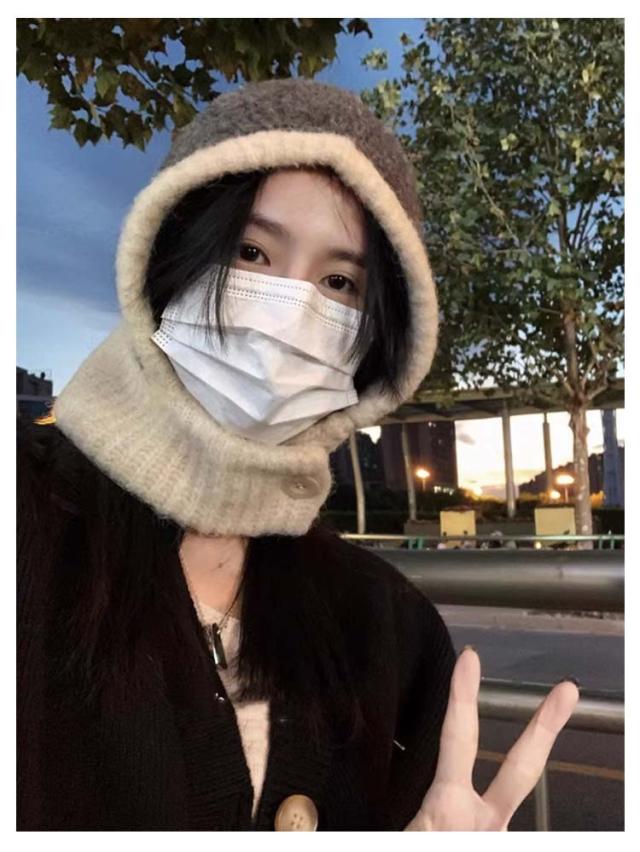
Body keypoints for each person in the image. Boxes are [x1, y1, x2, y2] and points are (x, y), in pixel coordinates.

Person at [17, 78, 578, 831]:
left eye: (340, 282)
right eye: (250, 251)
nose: (289, 310)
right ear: (166, 257)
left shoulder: (389, 628)